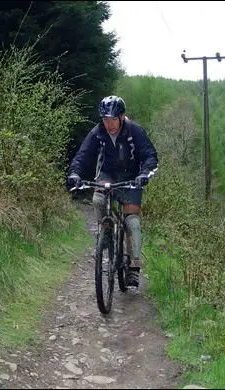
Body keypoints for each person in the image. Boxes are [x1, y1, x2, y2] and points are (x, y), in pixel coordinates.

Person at [67, 95, 158, 287]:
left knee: (132, 222)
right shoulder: (98, 132)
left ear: (122, 117)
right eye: (105, 120)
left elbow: (150, 155)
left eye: (113, 119)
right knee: (98, 200)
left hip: (131, 178)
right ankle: (106, 231)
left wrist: (144, 175)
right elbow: (83, 155)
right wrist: (75, 174)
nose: (109, 124)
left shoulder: (134, 131)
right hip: (107, 174)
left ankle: (133, 267)